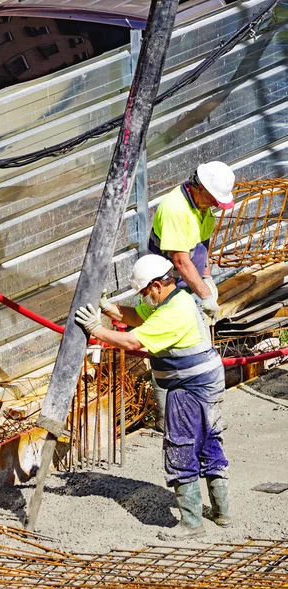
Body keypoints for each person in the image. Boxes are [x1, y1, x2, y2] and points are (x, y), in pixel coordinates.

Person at [75, 254, 231, 540]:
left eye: (145, 292)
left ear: (157, 285)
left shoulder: (172, 314)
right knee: (209, 442)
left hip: (190, 387)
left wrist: (96, 330)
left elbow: (134, 340)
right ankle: (222, 512)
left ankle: (191, 524)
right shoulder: (178, 298)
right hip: (205, 382)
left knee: (181, 445)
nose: (144, 298)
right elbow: (137, 317)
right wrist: (108, 308)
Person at [148, 160, 235, 431]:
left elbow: (201, 249)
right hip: (166, 285)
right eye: (213, 199)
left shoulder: (203, 207)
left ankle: (199, 414)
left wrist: (207, 276)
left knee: (197, 351)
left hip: (189, 283)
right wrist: (205, 294)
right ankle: (167, 422)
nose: (216, 205)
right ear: (200, 188)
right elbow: (180, 260)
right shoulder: (176, 209)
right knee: (167, 351)